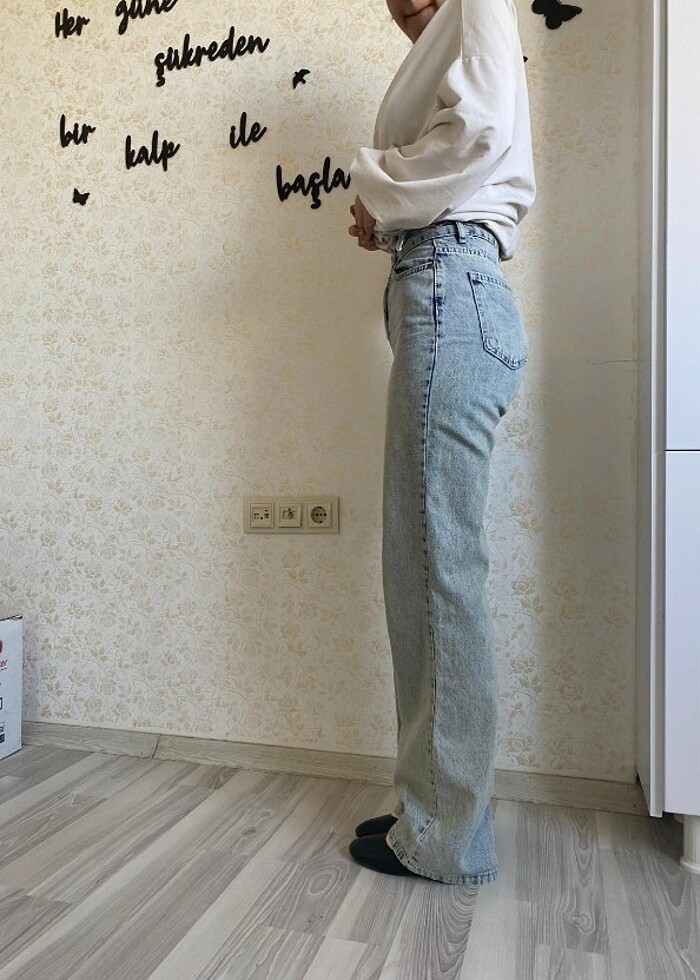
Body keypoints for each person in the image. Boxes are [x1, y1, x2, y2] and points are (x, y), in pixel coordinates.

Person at [346, 0, 536, 885]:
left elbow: (479, 131)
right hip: (441, 285)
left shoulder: (479, 4)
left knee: (435, 570)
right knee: (424, 568)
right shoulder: (444, 40)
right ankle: (435, 809)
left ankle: (444, 836)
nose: (406, 3)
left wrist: (376, 182)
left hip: (448, 290)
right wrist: (388, 219)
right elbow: (460, 155)